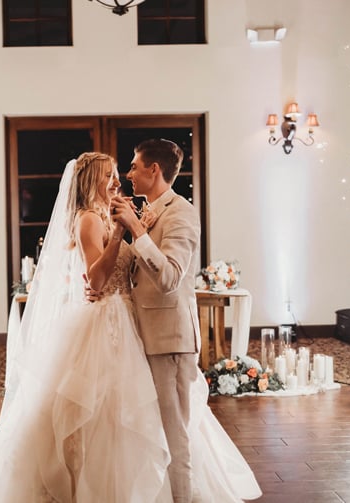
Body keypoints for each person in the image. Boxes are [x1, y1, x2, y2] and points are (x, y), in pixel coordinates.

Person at [0, 152, 173, 502]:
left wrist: (135, 225)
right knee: (92, 408)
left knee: (118, 412)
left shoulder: (108, 215)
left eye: (116, 175)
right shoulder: (88, 219)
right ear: (92, 180)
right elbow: (97, 277)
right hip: (103, 321)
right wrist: (121, 232)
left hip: (125, 319)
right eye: (108, 176)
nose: (117, 182)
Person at [108, 138, 262, 502]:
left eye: (133, 166)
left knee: (176, 432)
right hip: (141, 335)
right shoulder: (150, 209)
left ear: (153, 170)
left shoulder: (181, 213)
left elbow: (169, 278)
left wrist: (138, 231)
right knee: (153, 429)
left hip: (169, 340)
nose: (128, 174)